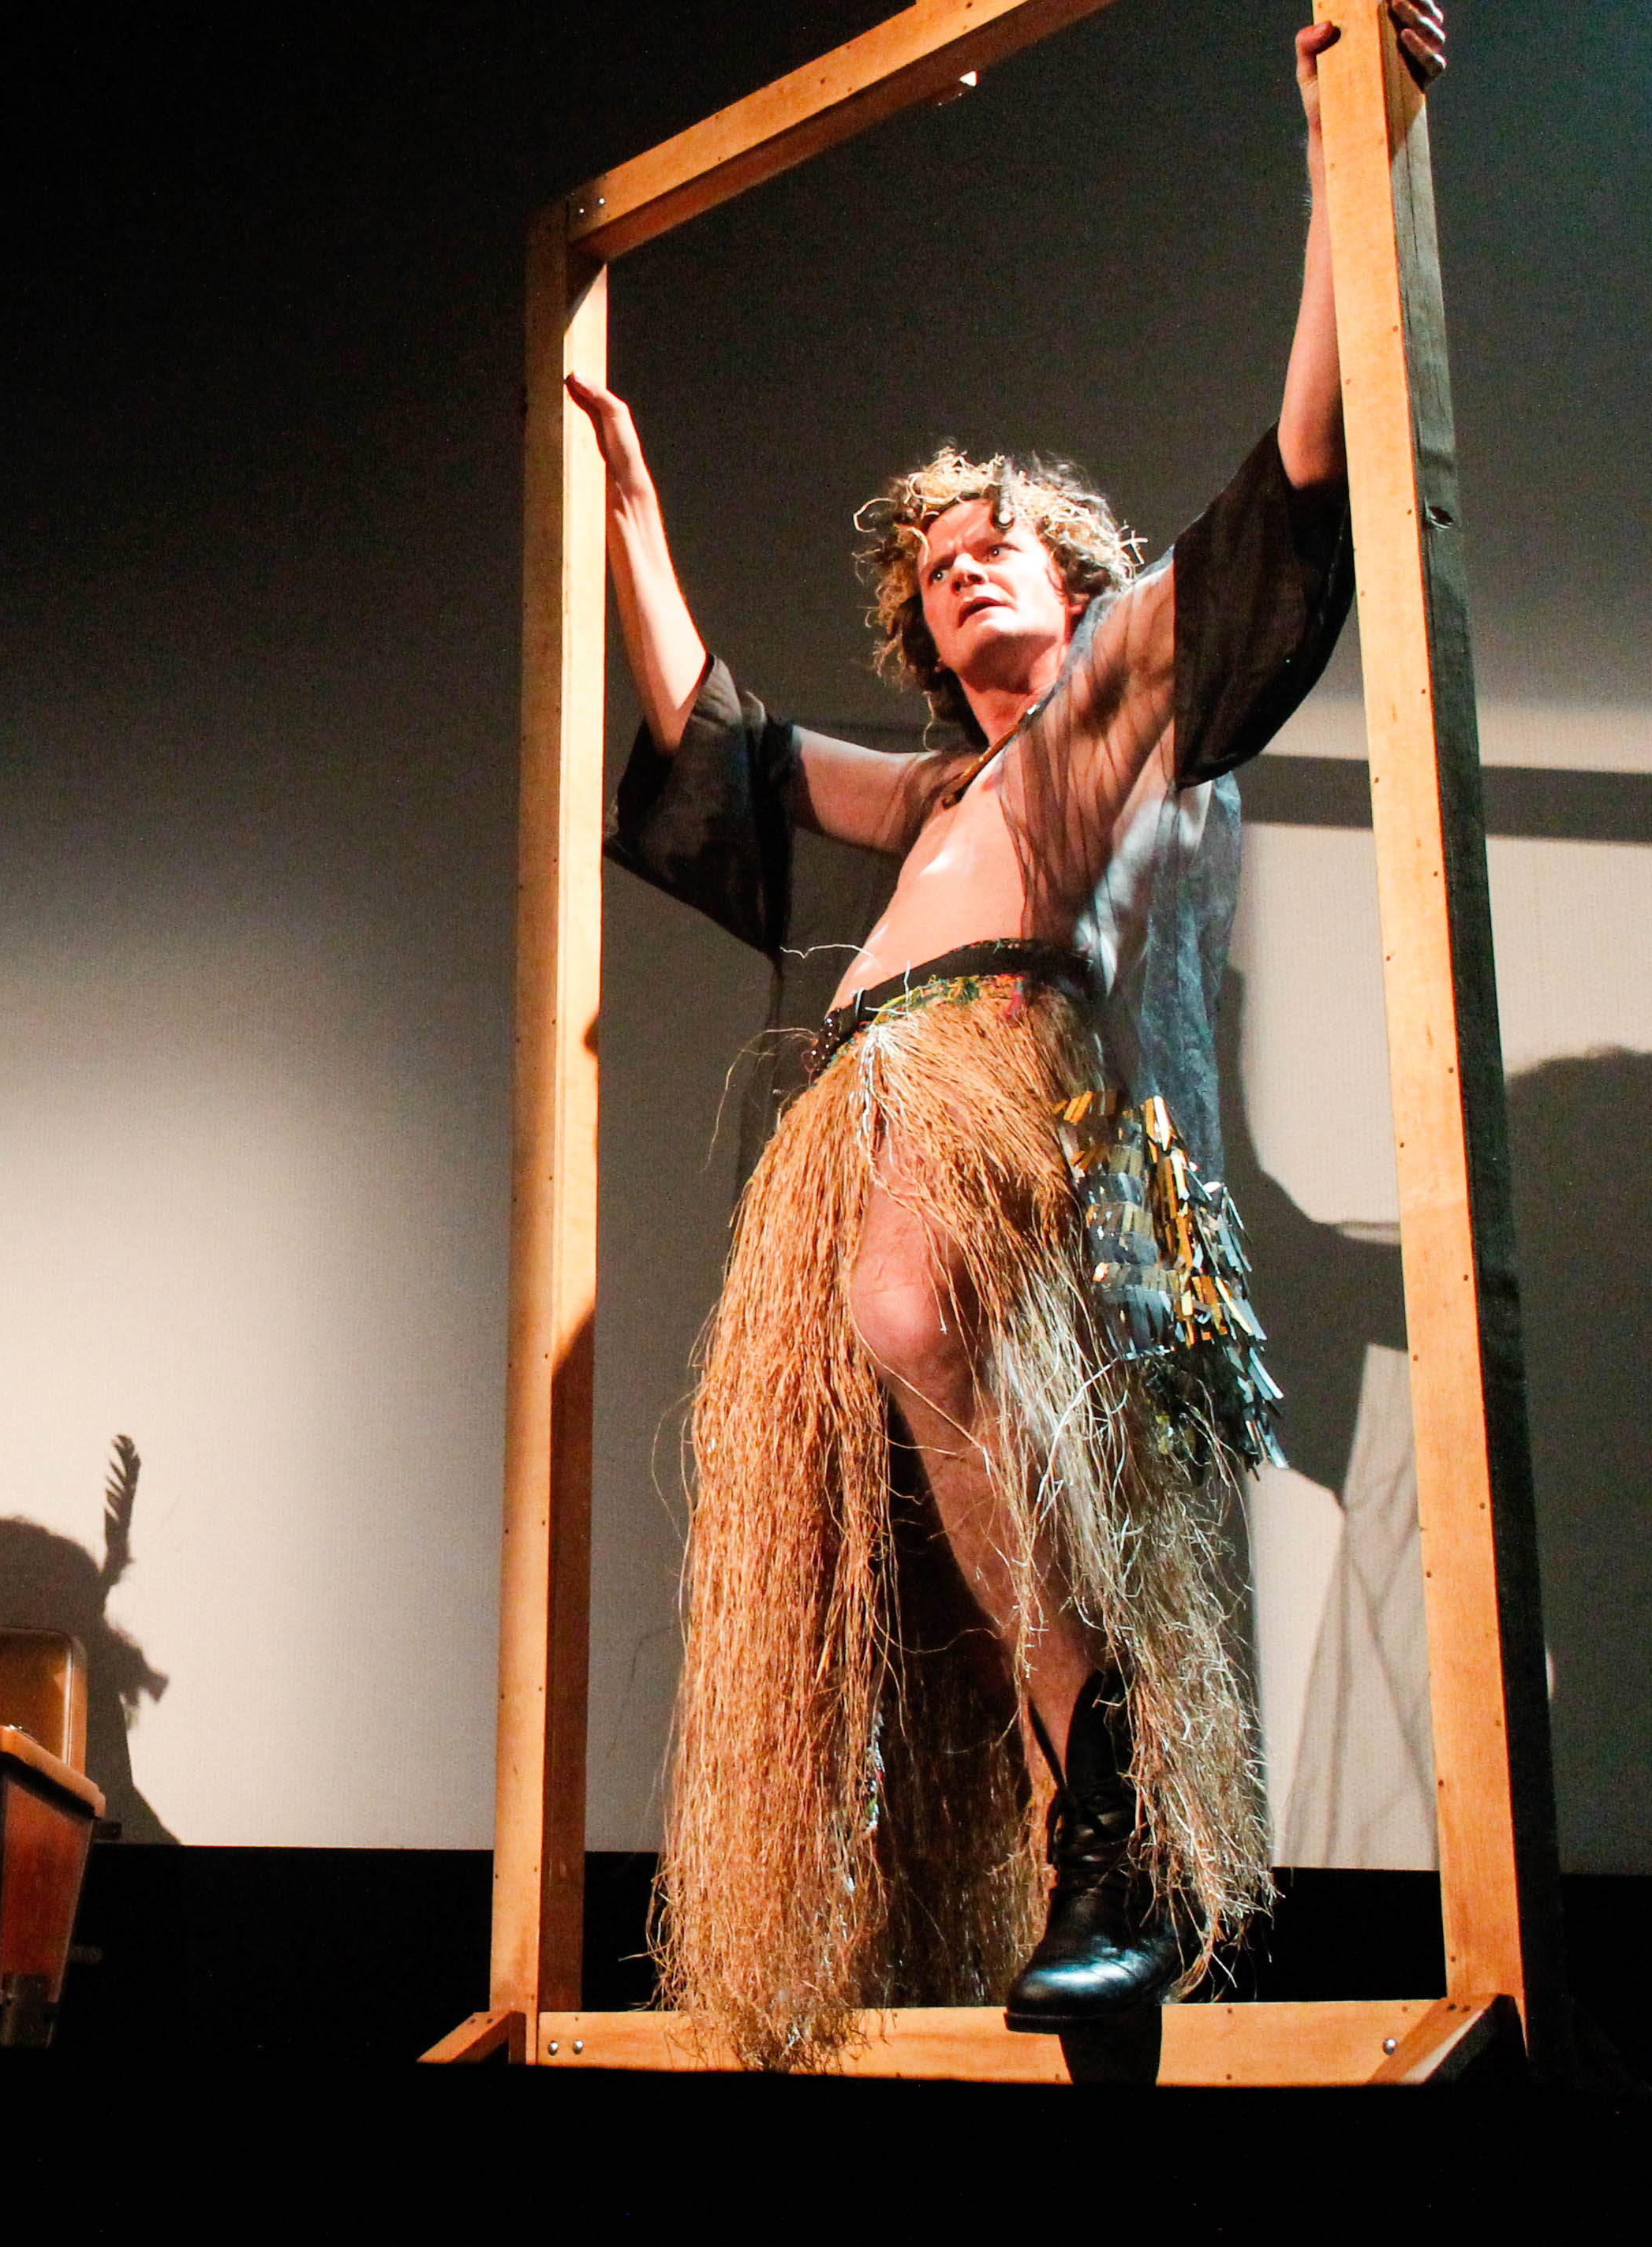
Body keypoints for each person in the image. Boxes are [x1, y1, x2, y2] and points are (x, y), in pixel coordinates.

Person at [577, 6, 1447, 2069]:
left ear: (1077, 582)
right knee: (875, 1560)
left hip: (1005, 1092)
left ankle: (1117, 1803)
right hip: (868, 1108)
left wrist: (1354, 151)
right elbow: (727, 753)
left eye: (1002, 543)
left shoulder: (1119, 696)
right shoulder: (935, 790)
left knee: (904, 1305)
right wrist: (625, 511)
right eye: (937, 564)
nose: (967, 564)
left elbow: (1297, 475)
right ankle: (1025, 1873)